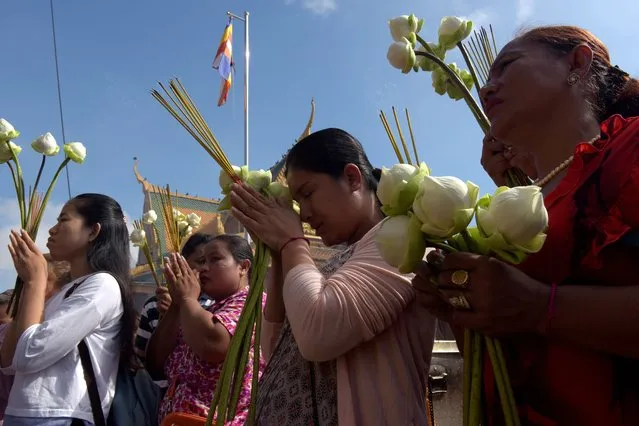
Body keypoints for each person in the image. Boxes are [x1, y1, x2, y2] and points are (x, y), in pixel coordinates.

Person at [414, 26, 639, 425]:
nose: (486, 90)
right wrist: (460, 304)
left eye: (507, 66)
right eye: (485, 80)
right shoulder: (510, 215)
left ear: (577, 62)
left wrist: (540, 307)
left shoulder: (630, 149)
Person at [230, 128, 436, 425]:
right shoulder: (340, 257)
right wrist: (277, 254)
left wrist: (292, 243)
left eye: (308, 194)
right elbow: (275, 347)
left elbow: (317, 333)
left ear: (352, 178)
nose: (303, 214)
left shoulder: (401, 241)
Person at [0, 193, 136, 425]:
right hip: (24, 410)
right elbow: (8, 361)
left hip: (60, 414)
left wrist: (35, 281)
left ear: (93, 231)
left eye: (63, 220)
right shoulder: (66, 291)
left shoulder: (103, 285)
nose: (52, 230)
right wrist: (28, 285)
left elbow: (29, 355)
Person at [146, 234, 262, 425]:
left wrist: (187, 300)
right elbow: (155, 362)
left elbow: (214, 345)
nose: (203, 268)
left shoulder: (251, 305)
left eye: (215, 259)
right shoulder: (203, 311)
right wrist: (177, 304)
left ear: (243, 267)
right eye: (201, 261)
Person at [0, 258, 71, 425]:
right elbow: (7, 364)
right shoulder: (11, 329)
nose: (26, 289)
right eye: (23, 281)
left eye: (39, 279)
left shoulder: (67, 328)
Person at [134, 233, 214, 368]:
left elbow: (209, 352)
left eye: (214, 261)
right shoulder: (154, 305)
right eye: (200, 261)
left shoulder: (220, 304)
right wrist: (171, 313)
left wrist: (182, 307)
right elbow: (145, 361)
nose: (206, 268)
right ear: (183, 263)